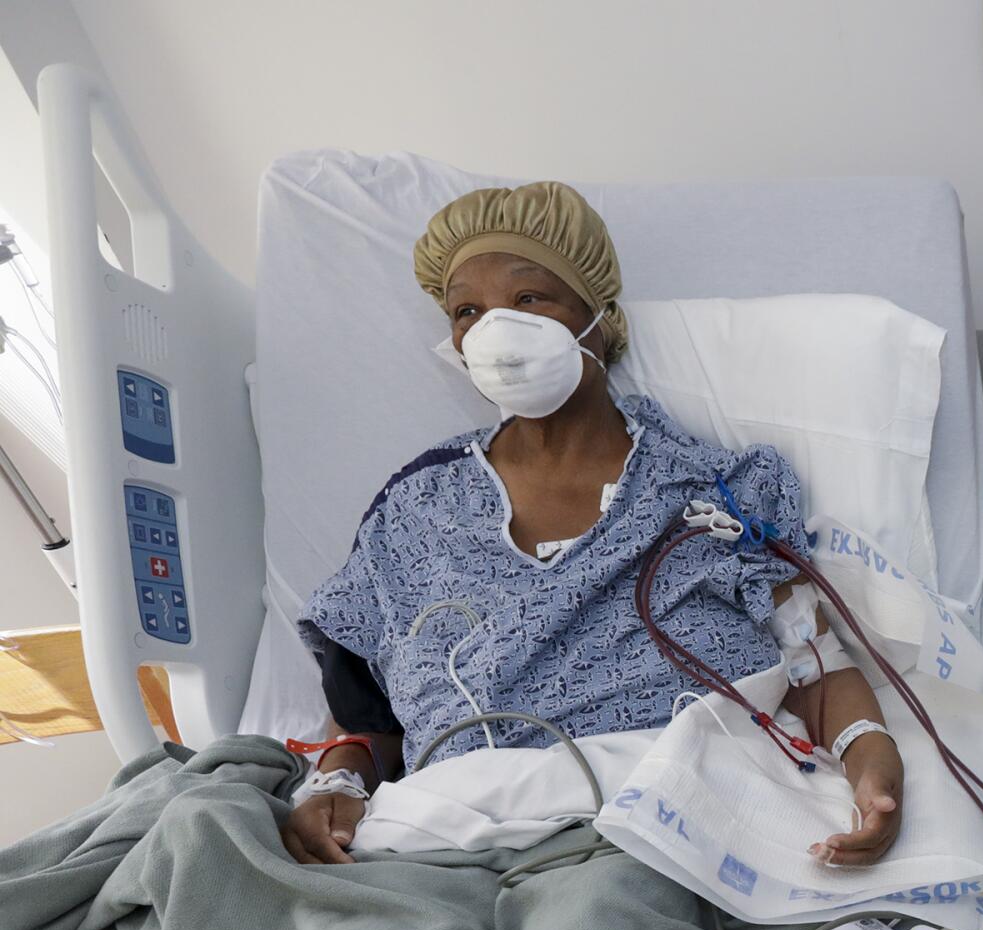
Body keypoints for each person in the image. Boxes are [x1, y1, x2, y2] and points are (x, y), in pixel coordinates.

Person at [282, 182, 902, 868]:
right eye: (467, 310)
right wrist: (335, 781)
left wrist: (872, 760)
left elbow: (816, 670)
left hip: (664, 829)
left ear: (599, 317)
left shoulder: (714, 492)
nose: (495, 329)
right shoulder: (416, 511)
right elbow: (363, 714)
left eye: (527, 299)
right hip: (450, 843)